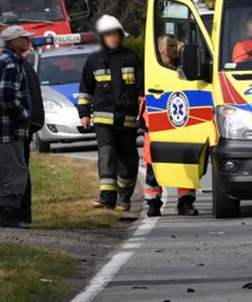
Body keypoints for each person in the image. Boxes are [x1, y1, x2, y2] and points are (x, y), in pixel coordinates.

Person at [78, 15, 142, 211]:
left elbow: (142, 88)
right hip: (103, 117)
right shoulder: (94, 60)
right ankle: (107, 198)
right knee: (107, 155)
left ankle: (125, 196)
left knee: (129, 161)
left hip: (128, 119)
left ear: (120, 36)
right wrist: (84, 113)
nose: (112, 38)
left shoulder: (132, 57)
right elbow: (85, 89)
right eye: (108, 35)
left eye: (115, 35)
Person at [0, 25, 34, 228]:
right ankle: (8, 216)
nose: (28, 40)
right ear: (13, 42)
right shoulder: (11, 62)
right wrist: (24, 115)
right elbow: (8, 97)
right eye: (23, 37)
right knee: (14, 170)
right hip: (8, 128)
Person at [143, 35, 197, 217]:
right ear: (160, 49)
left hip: (182, 124)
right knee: (153, 168)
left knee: (186, 167)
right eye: (170, 45)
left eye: (176, 45)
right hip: (157, 125)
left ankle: (185, 202)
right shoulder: (152, 69)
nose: (174, 48)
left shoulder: (185, 67)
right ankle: (153, 203)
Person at [19, 42, 43, 225]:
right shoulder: (24, 65)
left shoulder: (19, 67)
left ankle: (21, 213)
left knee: (18, 170)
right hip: (25, 127)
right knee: (21, 169)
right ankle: (24, 214)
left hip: (18, 129)